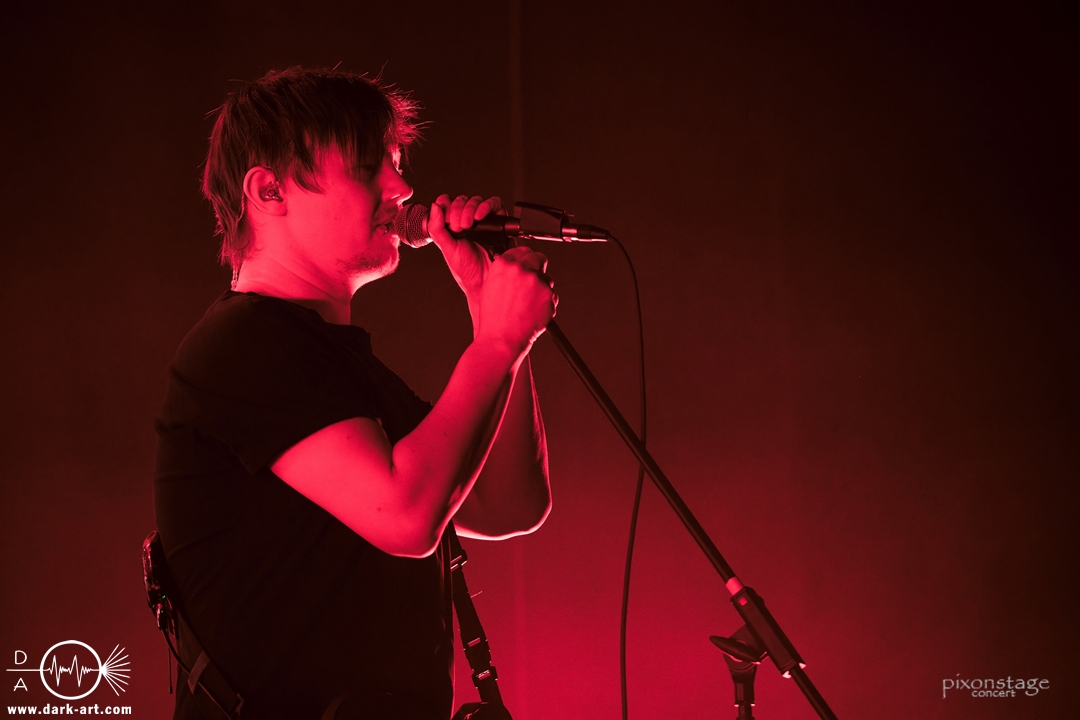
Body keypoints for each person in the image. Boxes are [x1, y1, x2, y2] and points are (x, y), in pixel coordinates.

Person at [153, 67, 556, 720]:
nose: (401, 188)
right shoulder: (243, 344)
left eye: (397, 164)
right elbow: (407, 516)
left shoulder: (341, 367)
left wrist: (490, 314)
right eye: (370, 167)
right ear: (268, 190)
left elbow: (509, 504)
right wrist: (497, 343)